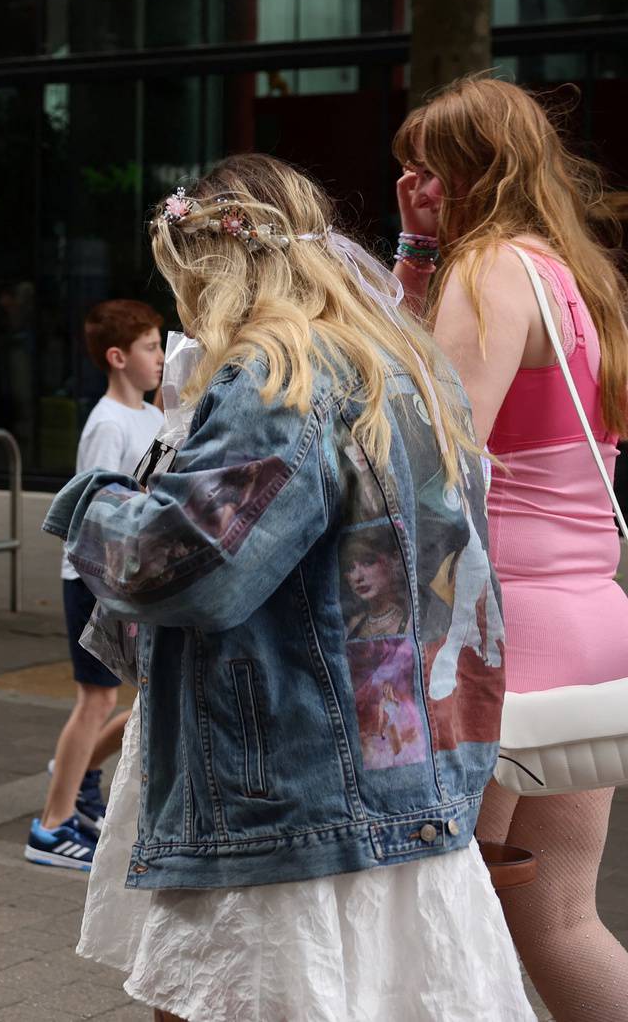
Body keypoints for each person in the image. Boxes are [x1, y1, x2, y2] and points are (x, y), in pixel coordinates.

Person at [58, 155, 528, 1022]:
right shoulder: (403, 358)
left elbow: (186, 568)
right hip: (401, 766)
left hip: (287, 790)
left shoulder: (279, 374)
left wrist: (93, 502)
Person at [393, 76, 628, 1017]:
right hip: (592, 620)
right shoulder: (576, 275)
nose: (417, 184)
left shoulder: (488, 269)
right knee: (563, 918)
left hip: (502, 632)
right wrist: (413, 258)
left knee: (449, 917)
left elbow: (433, 447)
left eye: (429, 167)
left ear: (470, 170)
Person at [26, 299, 162, 871]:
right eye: (151, 347)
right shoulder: (107, 424)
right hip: (95, 582)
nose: (161, 357)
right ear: (117, 357)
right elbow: (92, 510)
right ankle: (50, 828)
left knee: (138, 698)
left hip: (127, 583)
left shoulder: (153, 417)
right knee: (97, 701)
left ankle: (76, 774)